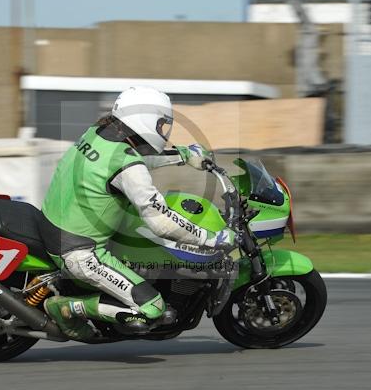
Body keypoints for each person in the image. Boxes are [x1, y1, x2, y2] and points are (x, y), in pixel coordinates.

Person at [41, 86, 236, 340]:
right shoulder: (127, 165)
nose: (163, 133)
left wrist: (184, 155)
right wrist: (212, 238)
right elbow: (162, 222)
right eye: (161, 125)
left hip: (54, 225)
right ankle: (66, 307)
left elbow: (135, 160)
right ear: (145, 121)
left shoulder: (98, 134)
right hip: (81, 252)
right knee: (152, 308)